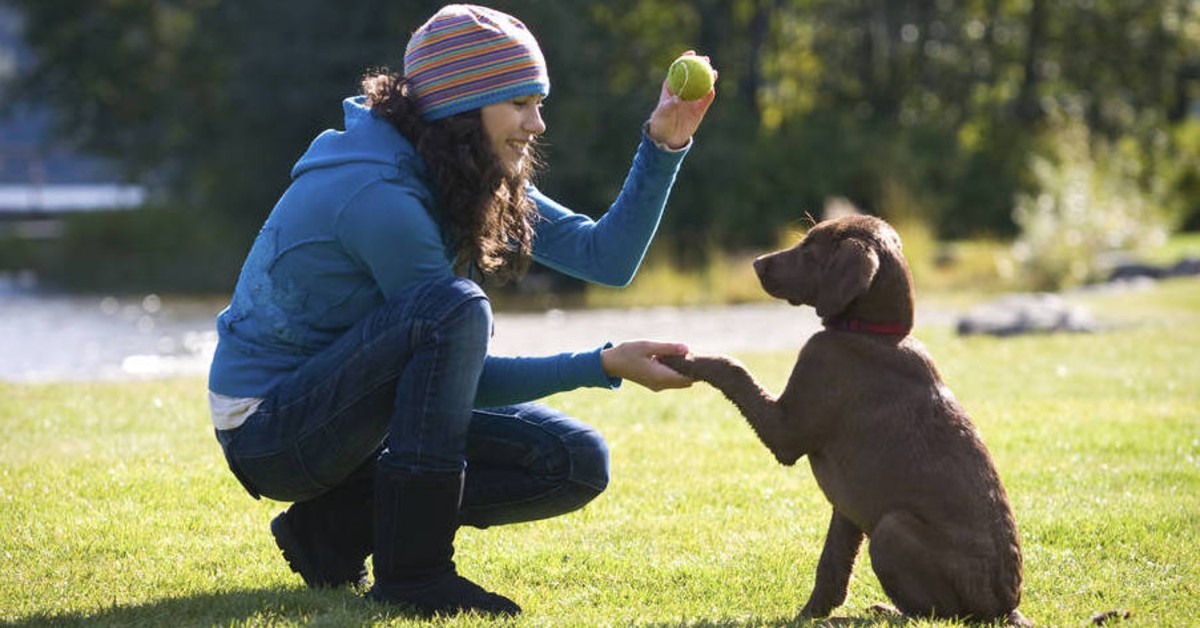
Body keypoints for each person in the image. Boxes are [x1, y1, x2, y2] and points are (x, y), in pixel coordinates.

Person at [207, 3, 715, 618]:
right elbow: (462, 370)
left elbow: (604, 257)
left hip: (355, 416)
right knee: (453, 308)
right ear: (462, 108)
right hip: (272, 430)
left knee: (573, 462)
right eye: (521, 103)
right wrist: (601, 363)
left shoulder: (460, 167)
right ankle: (414, 575)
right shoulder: (380, 195)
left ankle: (332, 531)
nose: (538, 123)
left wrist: (666, 141)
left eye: (538, 101)